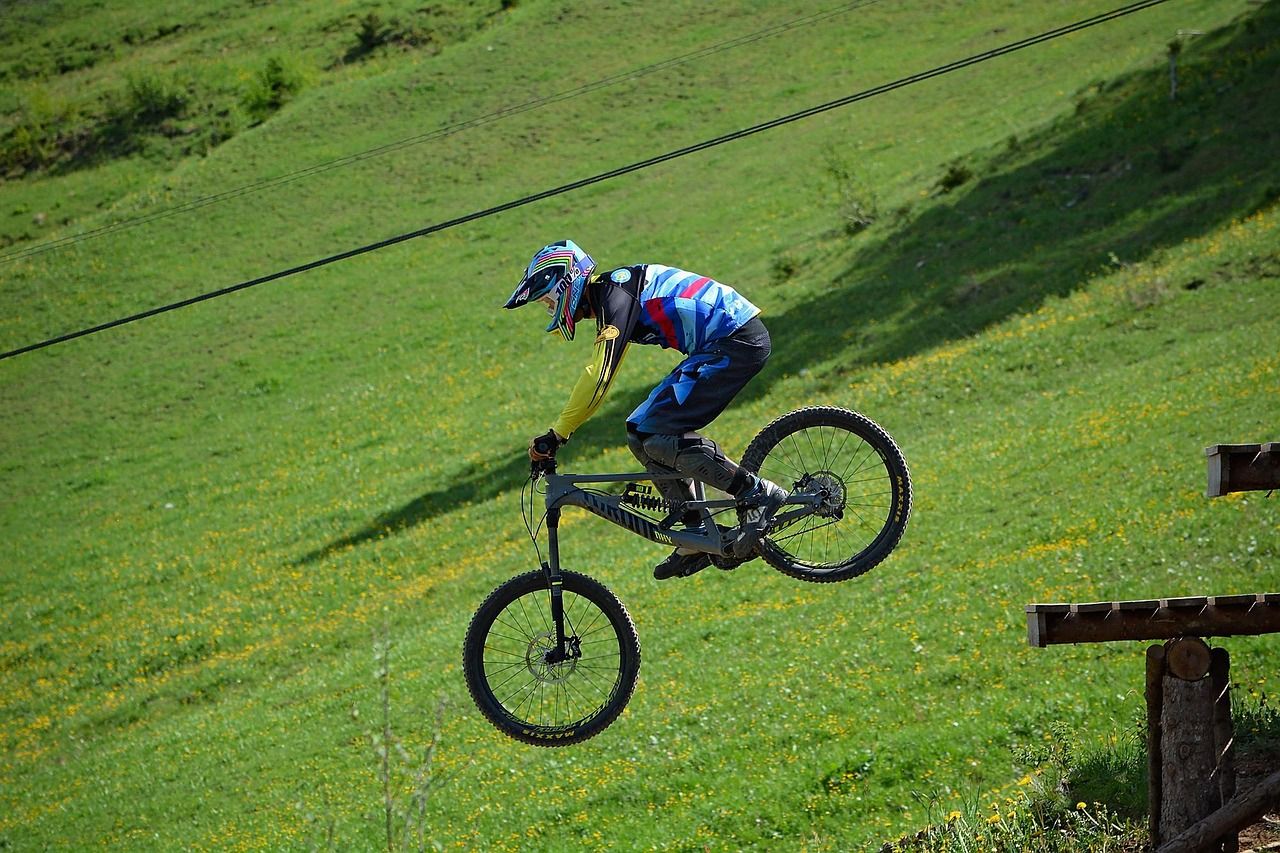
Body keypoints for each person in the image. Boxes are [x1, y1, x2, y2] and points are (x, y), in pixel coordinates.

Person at [504, 239, 787, 580]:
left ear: (566, 284)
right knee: (639, 431)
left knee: (657, 431)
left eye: (547, 300)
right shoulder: (613, 296)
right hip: (721, 343)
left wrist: (558, 433)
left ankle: (756, 492)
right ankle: (695, 534)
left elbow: (600, 375)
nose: (549, 308)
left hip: (736, 341)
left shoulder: (615, 298)